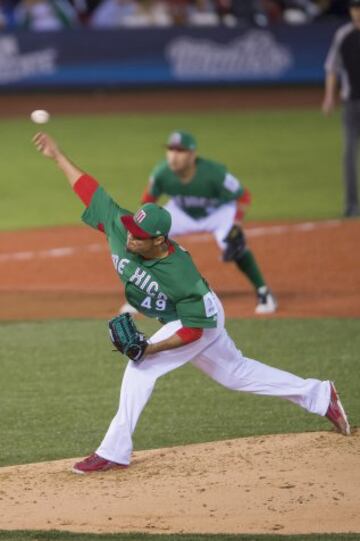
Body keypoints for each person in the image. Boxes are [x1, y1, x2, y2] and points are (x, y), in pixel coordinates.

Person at [32, 131, 350, 474]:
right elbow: (89, 190)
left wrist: (150, 349)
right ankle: (320, 395)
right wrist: (58, 156)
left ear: (158, 240)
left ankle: (114, 450)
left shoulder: (181, 273)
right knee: (236, 374)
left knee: (141, 368)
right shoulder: (122, 226)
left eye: (138, 240)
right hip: (181, 317)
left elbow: (195, 331)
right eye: (129, 232)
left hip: (199, 318)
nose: (128, 240)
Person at [129, 130, 277, 316]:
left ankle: (263, 291)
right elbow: (146, 202)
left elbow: (243, 196)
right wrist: (143, 229)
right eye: (171, 150)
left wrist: (237, 224)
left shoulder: (214, 173)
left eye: (180, 151)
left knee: (231, 243)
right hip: (180, 213)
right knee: (146, 240)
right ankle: (141, 294)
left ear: (192, 155)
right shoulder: (161, 173)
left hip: (218, 213)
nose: (173, 156)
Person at [322, 0, 360, 218]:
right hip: (351, 102)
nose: (357, 12)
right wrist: (329, 97)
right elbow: (332, 68)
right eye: (355, 8)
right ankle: (352, 205)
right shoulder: (343, 35)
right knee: (349, 154)